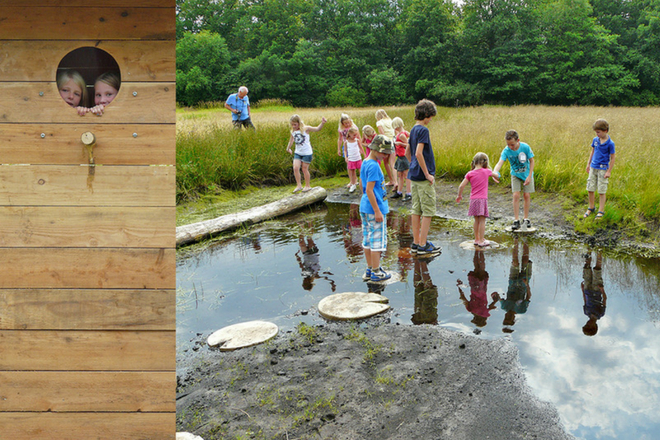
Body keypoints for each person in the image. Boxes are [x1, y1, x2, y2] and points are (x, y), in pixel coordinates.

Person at [407, 99, 441, 256]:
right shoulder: (423, 130)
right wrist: (427, 174)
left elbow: (408, 152)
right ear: (427, 114)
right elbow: (418, 153)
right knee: (427, 210)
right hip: (423, 177)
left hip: (413, 176)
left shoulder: (413, 129)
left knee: (416, 209)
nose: (431, 120)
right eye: (431, 117)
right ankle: (423, 244)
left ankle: (415, 242)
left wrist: (412, 164)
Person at [360, 135, 394, 282]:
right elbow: (369, 190)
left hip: (365, 207)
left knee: (367, 239)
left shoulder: (366, 162)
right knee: (376, 241)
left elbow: (364, 188)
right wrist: (378, 211)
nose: (386, 156)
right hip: (374, 209)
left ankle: (369, 268)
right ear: (375, 149)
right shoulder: (374, 165)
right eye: (384, 153)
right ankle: (376, 271)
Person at [493, 130, 535, 230]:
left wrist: (529, 176)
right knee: (516, 195)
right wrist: (494, 172)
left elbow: (532, 161)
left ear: (518, 140)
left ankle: (526, 218)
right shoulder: (506, 150)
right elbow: (500, 163)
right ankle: (516, 220)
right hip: (515, 174)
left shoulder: (525, 147)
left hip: (527, 174)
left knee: (526, 195)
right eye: (508, 144)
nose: (510, 147)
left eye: (512, 144)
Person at [456, 152, 500, 247]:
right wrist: (496, 174)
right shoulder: (487, 171)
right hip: (482, 199)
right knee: (482, 220)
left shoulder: (470, 173)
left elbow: (461, 186)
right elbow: (497, 176)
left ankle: (476, 239)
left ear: (474, 162)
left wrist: (459, 195)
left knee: (476, 220)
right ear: (484, 162)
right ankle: (481, 241)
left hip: (473, 200)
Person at [491, 236, 532, 333]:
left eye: (505, 318)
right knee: (525, 260)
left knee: (515, 262)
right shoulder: (522, 310)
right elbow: (528, 296)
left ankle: (516, 239)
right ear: (513, 319)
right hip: (524, 281)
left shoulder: (504, 307)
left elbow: (498, 297)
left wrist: (495, 296)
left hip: (513, 279)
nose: (507, 316)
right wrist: (526, 285)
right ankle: (526, 239)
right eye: (509, 318)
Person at [286, 114, 327, 193]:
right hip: (298, 152)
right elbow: (291, 140)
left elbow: (317, 129)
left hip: (307, 152)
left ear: (299, 123)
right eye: (292, 125)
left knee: (304, 169)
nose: (294, 126)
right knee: (295, 168)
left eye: (295, 124)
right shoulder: (293, 131)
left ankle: (307, 185)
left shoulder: (306, 129)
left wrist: (322, 123)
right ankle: (299, 185)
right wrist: (288, 148)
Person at [583, 119, 616, 220]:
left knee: (601, 190)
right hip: (593, 167)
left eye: (598, 132)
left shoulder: (610, 143)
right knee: (590, 188)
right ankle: (591, 207)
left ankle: (601, 210)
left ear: (605, 130)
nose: (597, 134)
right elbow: (592, 152)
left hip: (603, 169)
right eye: (596, 132)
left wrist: (609, 171)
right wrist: (588, 164)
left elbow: (613, 157)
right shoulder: (595, 140)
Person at [457, 250, 499, 329]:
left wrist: (495, 301)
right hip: (474, 289)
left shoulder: (484, 312)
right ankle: (476, 251)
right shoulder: (470, 310)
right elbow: (463, 299)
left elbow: (491, 305)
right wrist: (459, 287)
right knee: (476, 268)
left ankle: (481, 251)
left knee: (482, 269)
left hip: (482, 290)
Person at [581, 251, 607, 336]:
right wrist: (602, 290)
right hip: (596, 290)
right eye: (589, 325)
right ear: (594, 326)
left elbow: (585, 300)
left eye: (586, 324)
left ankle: (589, 250)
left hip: (587, 289)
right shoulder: (600, 313)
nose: (587, 323)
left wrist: (582, 289)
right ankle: (600, 251)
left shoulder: (586, 312)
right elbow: (605, 299)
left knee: (587, 269)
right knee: (597, 270)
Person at [375, 109, 397, 188]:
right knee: (392, 163)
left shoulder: (379, 123)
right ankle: (396, 181)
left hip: (386, 143)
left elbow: (382, 134)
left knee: (386, 162)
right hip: (393, 142)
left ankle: (391, 180)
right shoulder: (390, 121)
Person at [391, 117, 411, 201]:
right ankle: (399, 191)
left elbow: (408, 145)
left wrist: (400, 143)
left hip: (404, 157)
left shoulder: (402, 135)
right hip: (399, 157)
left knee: (406, 175)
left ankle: (408, 193)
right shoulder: (401, 133)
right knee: (400, 174)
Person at [337, 114, 359, 188]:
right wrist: (338, 149)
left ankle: (355, 179)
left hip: (354, 146)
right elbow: (340, 139)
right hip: (346, 146)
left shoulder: (353, 127)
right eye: (346, 123)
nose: (347, 124)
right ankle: (352, 180)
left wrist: (360, 147)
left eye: (348, 122)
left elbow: (358, 137)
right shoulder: (341, 129)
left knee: (355, 162)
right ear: (342, 123)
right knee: (349, 163)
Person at [343, 126, 367, 193]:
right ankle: (353, 184)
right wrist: (346, 157)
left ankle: (363, 183)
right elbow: (345, 150)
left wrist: (364, 155)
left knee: (361, 171)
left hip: (358, 158)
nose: (355, 136)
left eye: (356, 135)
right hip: (351, 159)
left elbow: (361, 148)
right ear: (349, 134)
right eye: (354, 135)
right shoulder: (346, 142)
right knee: (352, 172)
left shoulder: (357, 141)